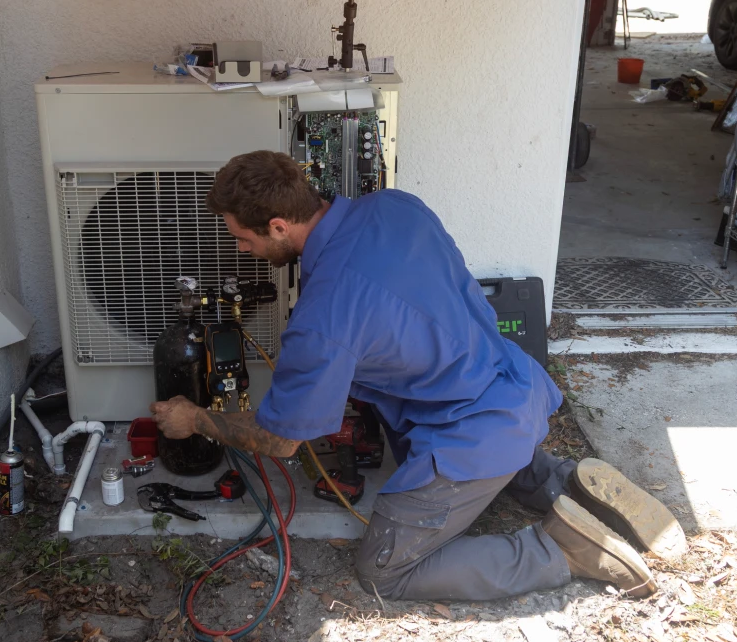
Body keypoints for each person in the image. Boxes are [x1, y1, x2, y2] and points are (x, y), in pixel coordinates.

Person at [150, 150, 686, 602]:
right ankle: (564, 482)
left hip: (470, 431)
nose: (241, 250)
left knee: (383, 570)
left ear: (278, 226)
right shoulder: (395, 205)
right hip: (509, 384)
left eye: (243, 239)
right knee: (463, 441)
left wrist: (196, 419)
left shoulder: (323, 316)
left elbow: (280, 439)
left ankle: (559, 551)